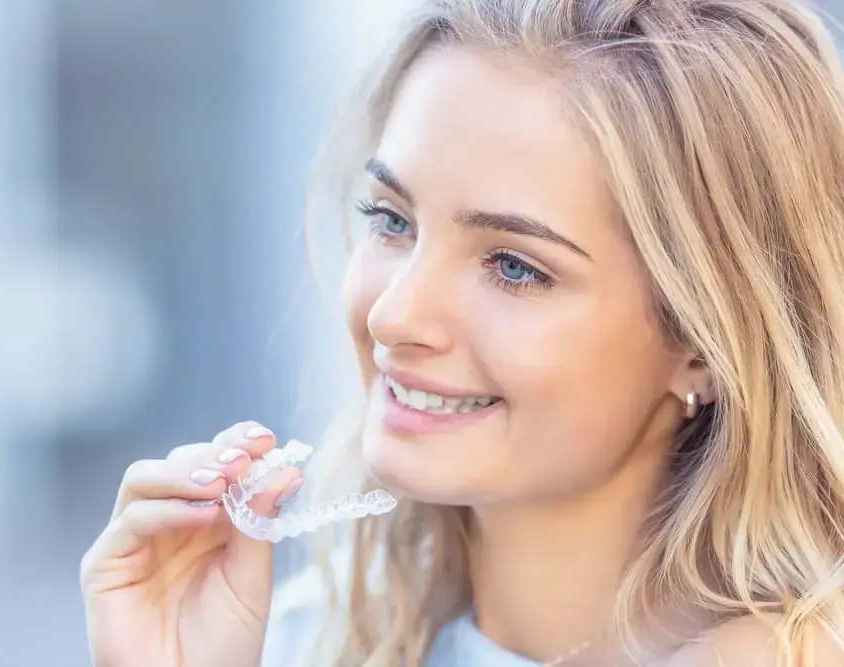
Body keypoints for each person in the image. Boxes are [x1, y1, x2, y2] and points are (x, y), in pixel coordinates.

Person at [80, 0, 844, 664]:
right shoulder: (294, 637)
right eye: (392, 220)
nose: (393, 315)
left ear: (706, 344)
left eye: (514, 267)